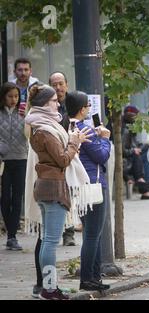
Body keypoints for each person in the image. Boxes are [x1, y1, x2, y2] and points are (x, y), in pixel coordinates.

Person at [24, 84, 93, 299]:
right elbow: (62, 159)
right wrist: (74, 142)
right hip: (53, 188)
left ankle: (49, 287)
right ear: (44, 104)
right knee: (51, 242)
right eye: (54, 100)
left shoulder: (41, 125)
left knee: (47, 240)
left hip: (46, 186)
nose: (58, 103)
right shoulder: (45, 129)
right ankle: (49, 288)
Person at [65, 91, 111, 291]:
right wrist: (106, 139)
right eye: (87, 107)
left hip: (77, 185)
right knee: (93, 234)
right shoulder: (86, 130)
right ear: (83, 109)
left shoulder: (66, 127)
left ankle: (94, 277)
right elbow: (102, 156)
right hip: (93, 184)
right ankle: (87, 278)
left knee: (92, 233)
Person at [49, 71, 77, 246]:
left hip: (70, 153)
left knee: (70, 194)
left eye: (61, 84)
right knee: (54, 195)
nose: (58, 88)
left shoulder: (73, 103)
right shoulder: (47, 105)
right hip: (52, 154)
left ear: (66, 84)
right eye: (54, 84)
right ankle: (55, 231)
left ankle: (69, 233)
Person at [0, 82, 27, 250]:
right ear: (3, 97)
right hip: (3, 160)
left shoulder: (24, 113)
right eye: (10, 96)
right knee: (4, 197)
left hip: (21, 158)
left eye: (16, 96)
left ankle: (12, 235)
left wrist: (28, 115)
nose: (13, 100)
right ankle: (10, 232)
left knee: (17, 198)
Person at [122, 105, 149, 199]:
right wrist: (134, 150)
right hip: (129, 159)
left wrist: (147, 144)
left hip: (133, 156)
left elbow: (135, 144)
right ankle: (146, 186)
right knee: (147, 157)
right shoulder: (125, 131)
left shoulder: (130, 129)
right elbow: (122, 151)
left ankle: (148, 185)